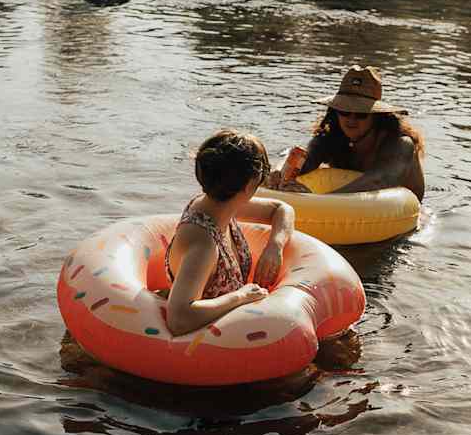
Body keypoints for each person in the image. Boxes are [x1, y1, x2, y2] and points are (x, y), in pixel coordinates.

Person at [164, 129, 296, 337]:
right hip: (207, 344)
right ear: (250, 185)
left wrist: (275, 246)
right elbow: (179, 319)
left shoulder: (221, 204)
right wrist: (240, 297)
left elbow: (281, 209)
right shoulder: (203, 246)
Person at [269, 65, 425, 199]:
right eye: (344, 112)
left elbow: (381, 181)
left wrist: (319, 200)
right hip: (343, 211)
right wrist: (278, 172)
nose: (351, 119)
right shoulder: (329, 137)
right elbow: (303, 158)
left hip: (398, 215)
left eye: (361, 114)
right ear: (335, 112)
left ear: (376, 117)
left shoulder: (400, 144)